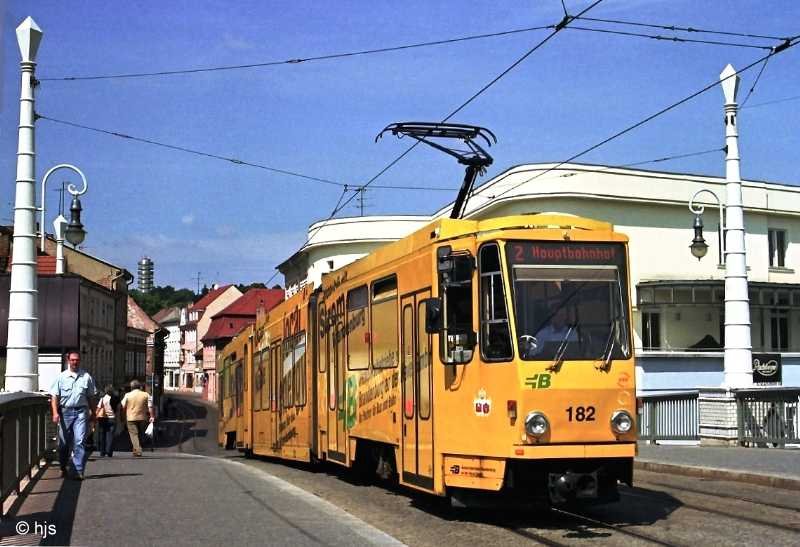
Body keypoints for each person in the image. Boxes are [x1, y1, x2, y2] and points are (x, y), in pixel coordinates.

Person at [49, 350, 97, 480]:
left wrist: (94, 413)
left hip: (81, 411)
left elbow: (91, 397)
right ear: (68, 360)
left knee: (79, 441)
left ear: (80, 361)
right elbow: (54, 396)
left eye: (77, 360)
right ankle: (63, 466)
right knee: (64, 443)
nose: (75, 362)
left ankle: (78, 470)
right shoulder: (61, 377)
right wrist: (54, 413)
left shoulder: (86, 377)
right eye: (72, 360)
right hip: (65, 412)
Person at [121, 379, 155, 456]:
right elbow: (150, 407)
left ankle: (138, 450)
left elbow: (122, 407)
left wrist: (122, 416)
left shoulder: (127, 395)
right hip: (143, 418)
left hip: (131, 418)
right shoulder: (146, 395)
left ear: (131, 387)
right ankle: (135, 450)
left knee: (134, 434)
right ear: (139, 387)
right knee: (139, 434)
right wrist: (152, 416)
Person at [95, 385, 121, 457]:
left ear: (105, 391)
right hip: (112, 418)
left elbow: (98, 408)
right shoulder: (116, 399)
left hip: (103, 418)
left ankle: (102, 452)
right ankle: (109, 452)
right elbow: (119, 409)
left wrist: (95, 416)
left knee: (102, 435)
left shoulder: (102, 399)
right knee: (110, 436)